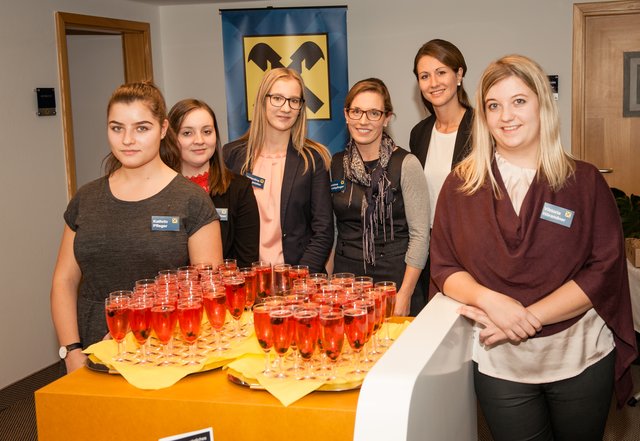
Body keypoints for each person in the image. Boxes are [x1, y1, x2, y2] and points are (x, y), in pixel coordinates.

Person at [430, 55, 637, 441]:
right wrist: (493, 302)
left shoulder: (585, 182)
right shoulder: (461, 187)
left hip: (579, 355)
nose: (506, 116)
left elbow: (604, 268)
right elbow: (444, 265)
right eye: (494, 105)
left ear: (543, 103)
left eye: (519, 101)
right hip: (499, 360)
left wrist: (528, 317)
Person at [51, 82, 223, 374]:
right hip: (90, 351)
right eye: (117, 128)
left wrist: (144, 331)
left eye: (141, 128)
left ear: (163, 128)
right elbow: (63, 282)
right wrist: (71, 350)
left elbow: (206, 291)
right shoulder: (87, 198)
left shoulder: (191, 200)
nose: (127, 139)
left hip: (166, 348)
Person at [330, 78, 429, 316]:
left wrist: (404, 294)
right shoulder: (334, 164)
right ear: (346, 115)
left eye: (373, 113)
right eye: (356, 111)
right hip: (346, 282)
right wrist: (328, 284)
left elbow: (420, 236)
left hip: (394, 281)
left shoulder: (406, 164)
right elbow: (333, 231)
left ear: (386, 118)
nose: (363, 121)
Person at [224, 68, 333, 273]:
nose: (286, 108)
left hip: (298, 282)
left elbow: (323, 231)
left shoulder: (312, 159)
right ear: (262, 100)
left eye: (294, 100)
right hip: (247, 281)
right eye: (277, 98)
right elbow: (224, 229)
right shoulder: (232, 156)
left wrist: (297, 279)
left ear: (301, 108)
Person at [409, 39, 474, 308]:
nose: (433, 82)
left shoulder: (483, 128)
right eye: (425, 76)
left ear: (459, 75)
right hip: (431, 248)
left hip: (470, 248)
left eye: (441, 72)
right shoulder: (420, 133)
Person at [169, 98, 259, 268]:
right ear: (172, 138)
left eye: (207, 131)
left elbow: (246, 264)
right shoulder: (159, 190)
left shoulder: (239, 189)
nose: (199, 140)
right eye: (187, 133)